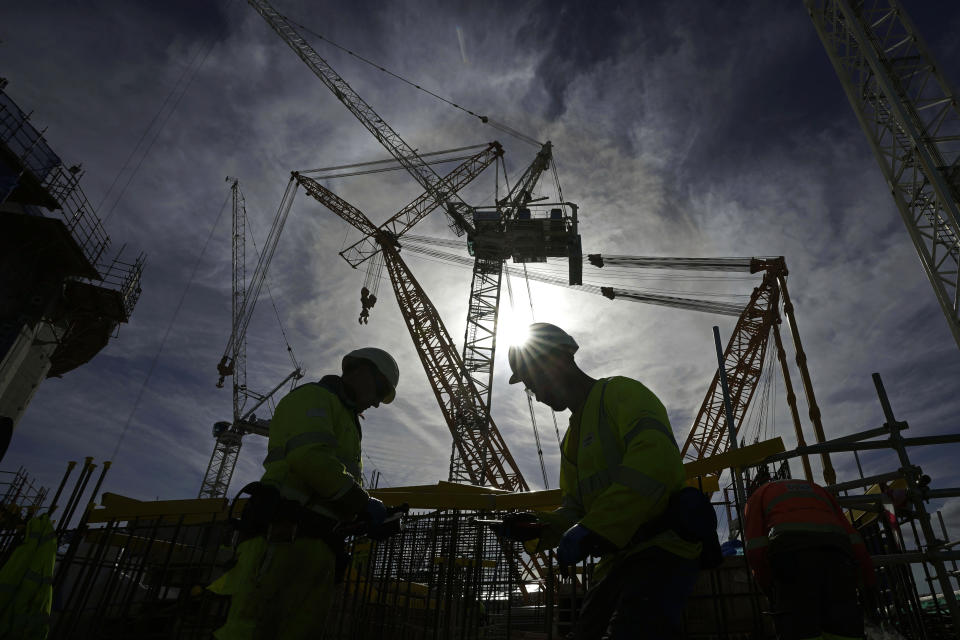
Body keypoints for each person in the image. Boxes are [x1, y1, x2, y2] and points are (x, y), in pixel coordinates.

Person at [498, 322, 702, 639]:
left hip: (661, 548)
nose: (535, 396)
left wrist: (596, 528)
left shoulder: (621, 393)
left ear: (559, 361)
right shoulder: (571, 442)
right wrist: (539, 526)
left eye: (533, 382)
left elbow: (655, 462)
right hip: (614, 563)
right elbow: (576, 510)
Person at [209, 347, 400, 640]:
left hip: (318, 548)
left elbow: (334, 484)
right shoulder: (314, 398)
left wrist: (366, 518)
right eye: (381, 390)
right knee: (253, 629)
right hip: (283, 537)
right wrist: (363, 504)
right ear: (362, 371)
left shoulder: (348, 421)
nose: (376, 403)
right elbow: (310, 459)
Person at [743, 474, 877, 640]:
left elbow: (755, 550)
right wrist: (869, 582)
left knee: (801, 632)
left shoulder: (758, 496)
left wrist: (769, 588)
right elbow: (855, 540)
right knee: (844, 631)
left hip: (791, 560)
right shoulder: (818, 490)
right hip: (838, 556)